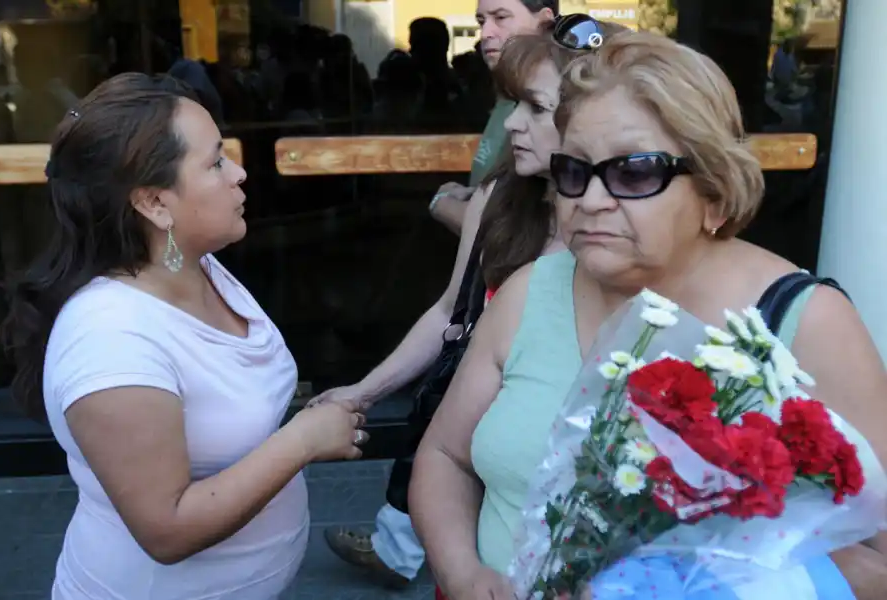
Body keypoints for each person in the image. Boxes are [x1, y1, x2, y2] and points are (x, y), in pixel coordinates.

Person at [408, 31, 887, 600]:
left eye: (634, 172)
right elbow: (444, 457)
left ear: (715, 191)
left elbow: (878, 560)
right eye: (572, 171)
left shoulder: (804, 322)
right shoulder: (531, 291)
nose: (589, 200)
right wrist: (463, 573)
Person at [0, 72, 369, 600]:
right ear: (153, 203)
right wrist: (303, 440)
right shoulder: (109, 339)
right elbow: (166, 530)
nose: (240, 173)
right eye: (216, 162)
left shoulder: (200, 266)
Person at [311, 14, 619, 589]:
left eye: (534, 108)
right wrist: (363, 391)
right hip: (479, 447)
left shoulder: (623, 233)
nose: (515, 126)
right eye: (511, 107)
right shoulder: (500, 199)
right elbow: (450, 313)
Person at [428, 0, 558, 236]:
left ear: (545, 22)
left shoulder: (559, 104)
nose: (485, 33)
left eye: (501, 18)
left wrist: (444, 205)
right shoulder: (505, 98)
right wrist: (473, 194)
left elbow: (524, 232)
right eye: (481, 21)